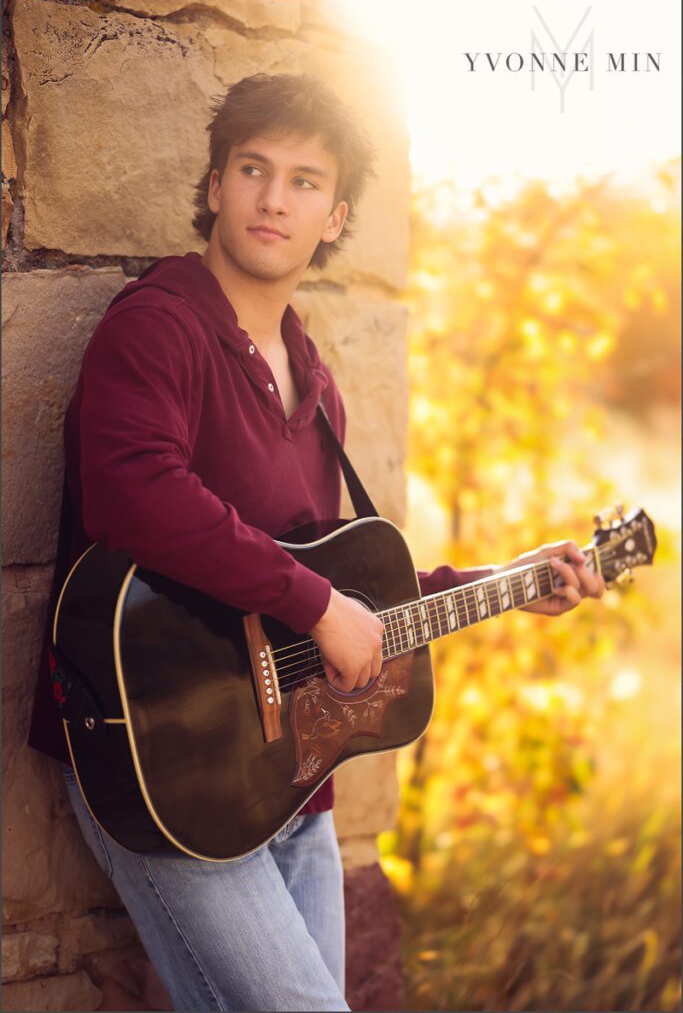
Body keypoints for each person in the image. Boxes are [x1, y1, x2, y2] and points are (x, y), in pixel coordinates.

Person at [28, 73, 604, 1012]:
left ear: (333, 217)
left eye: (302, 181)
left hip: (292, 777)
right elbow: (136, 495)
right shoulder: (157, 328)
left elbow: (329, 577)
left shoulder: (316, 381)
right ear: (215, 187)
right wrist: (317, 607)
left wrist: (499, 580)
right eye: (252, 170)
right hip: (165, 765)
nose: (271, 198)